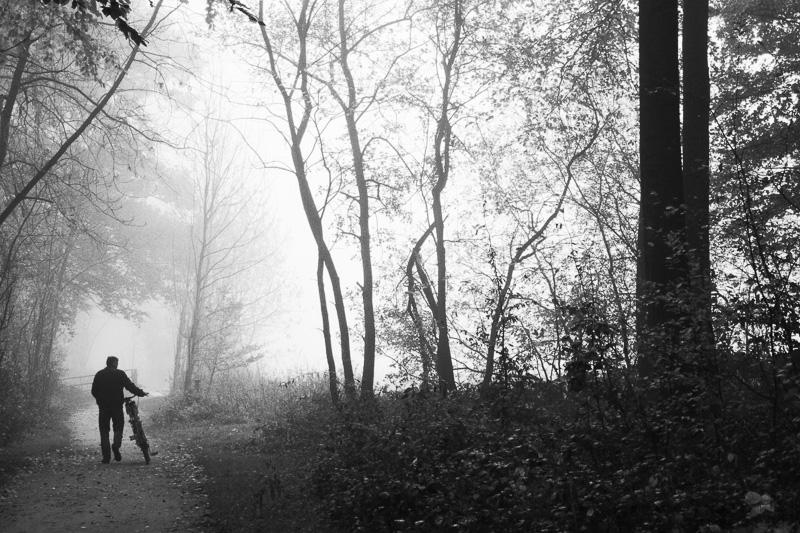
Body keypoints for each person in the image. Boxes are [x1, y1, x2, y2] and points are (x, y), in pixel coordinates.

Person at [90, 356, 147, 464]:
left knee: (104, 431)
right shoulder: (120, 374)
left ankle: (106, 457)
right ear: (115, 363)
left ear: (107, 363)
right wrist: (141, 393)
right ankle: (116, 446)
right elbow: (130, 386)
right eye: (117, 362)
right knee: (118, 428)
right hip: (117, 406)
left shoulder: (99, 374)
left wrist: (100, 400)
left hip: (103, 408)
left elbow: (93, 391)